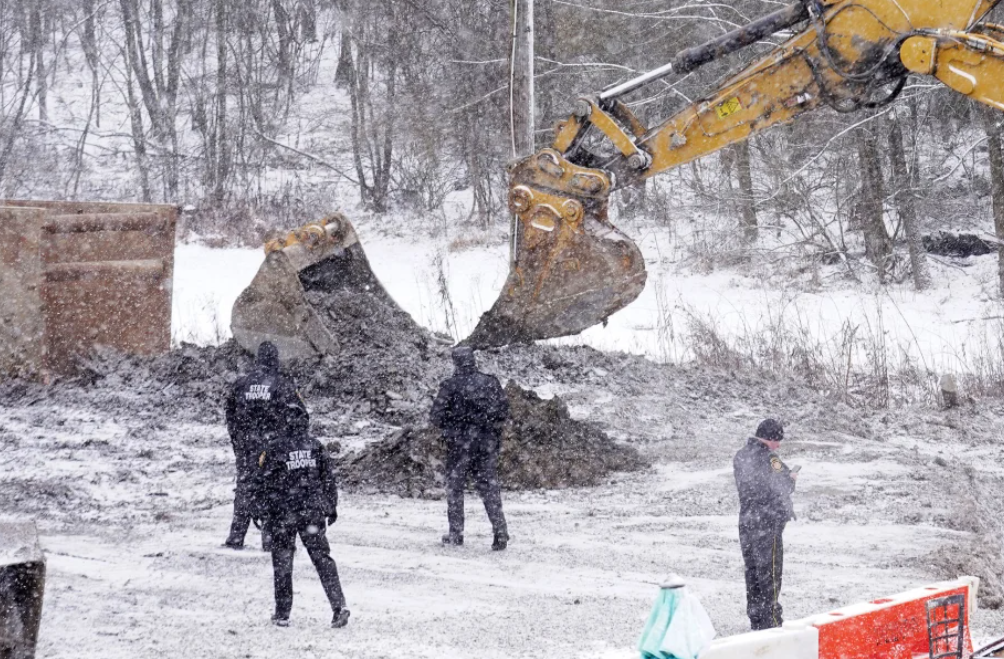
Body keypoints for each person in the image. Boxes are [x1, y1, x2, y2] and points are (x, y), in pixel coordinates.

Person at [251, 403, 349, 628]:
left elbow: (263, 482)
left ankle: (282, 613)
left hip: (282, 513)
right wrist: (331, 507)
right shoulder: (315, 446)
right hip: (312, 512)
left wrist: (259, 509)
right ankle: (338, 606)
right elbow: (328, 480)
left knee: (283, 560)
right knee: (322, 559)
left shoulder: (274, 448)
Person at [222, 341, 301, 550]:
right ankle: (269, 539)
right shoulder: (282, 384)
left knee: (245, 489)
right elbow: (299, 415)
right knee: (272, 489)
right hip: (273, 447)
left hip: (246, 446)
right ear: (275, 359)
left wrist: (238, 440)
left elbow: (229, 413)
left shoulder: (241, 384)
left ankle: (236, 537)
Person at [430, 346, 510, 550]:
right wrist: (486, 426)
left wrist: (455, 424)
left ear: (456, 362)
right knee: (490, 489)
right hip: (486, 445)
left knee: (455, 489)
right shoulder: (491, 382)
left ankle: (456, 534)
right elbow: (503, 410)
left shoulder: (449, 386)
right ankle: (500, 531)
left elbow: (436, 416)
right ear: (473, 361)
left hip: (459, 447)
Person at [732, 418, 797, 631]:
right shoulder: (770, 458)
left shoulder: (740, 456)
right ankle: (772, 622)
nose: (778, 445)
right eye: (777, 440)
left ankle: (756, 620)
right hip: (767, 522)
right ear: (769, 438)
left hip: (747, 521)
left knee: (752, 572)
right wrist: (792, 477)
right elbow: (783, 484)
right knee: (770, 573)